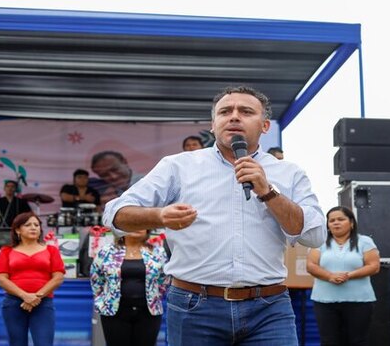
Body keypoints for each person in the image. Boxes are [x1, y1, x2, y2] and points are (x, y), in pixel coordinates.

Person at [103, 85, 326, 345]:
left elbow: (315, 235)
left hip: (269, 308)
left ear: (265, 126)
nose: (233, 117)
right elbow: (114, 214)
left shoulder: (289, 173)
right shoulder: (178, 167)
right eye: (225, 112)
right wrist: (160, 215)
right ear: (213, 124)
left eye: (245, 111)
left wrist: (268, 192)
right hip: (194, 306)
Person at [306, 206, 380, 346]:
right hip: (325, 302)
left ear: (351, 223)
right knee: (329, 341)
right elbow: (311, 265)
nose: (335, 222)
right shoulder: (319, 242)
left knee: (357, 341)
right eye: (332, 220)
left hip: (359, 302)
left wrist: (348, 275)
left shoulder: (365, 241)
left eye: (341, 219)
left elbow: (374, 266)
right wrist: (329, 276)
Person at [0, 211, 65, 346]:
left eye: (37, 225)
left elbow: (58, 277)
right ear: (18, 230)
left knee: (44, 343)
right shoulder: (6, 251)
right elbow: (1, 279)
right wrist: (24, 296)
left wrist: (36, 297)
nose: (34, 227)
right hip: (13, 303)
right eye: (28, 225)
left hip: (43, 303)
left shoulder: (51, 250)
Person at [90, 230, 168, 346]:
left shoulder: (158, 252)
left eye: (141, 225)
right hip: (114, 313)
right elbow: (96, 278)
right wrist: (102, 300)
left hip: (148, 313)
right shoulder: (106, 251)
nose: (137, 228)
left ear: (147, 230)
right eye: (132, 225)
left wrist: (155, 297)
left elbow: (164, 279)